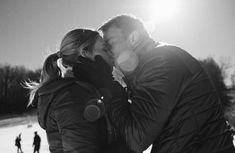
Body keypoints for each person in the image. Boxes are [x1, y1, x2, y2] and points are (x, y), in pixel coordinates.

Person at [73, 15, 235, 153]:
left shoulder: (160, 62)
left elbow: (138, 138)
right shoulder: (152, 63)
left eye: (110, 43)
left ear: (133, 38)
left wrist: (107, 85)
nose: (108, 52)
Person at [25, 29, 130, 153]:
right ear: (84, 53)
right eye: (104, 49)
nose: (111, 53)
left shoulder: (89, 89)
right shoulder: (71, 97)